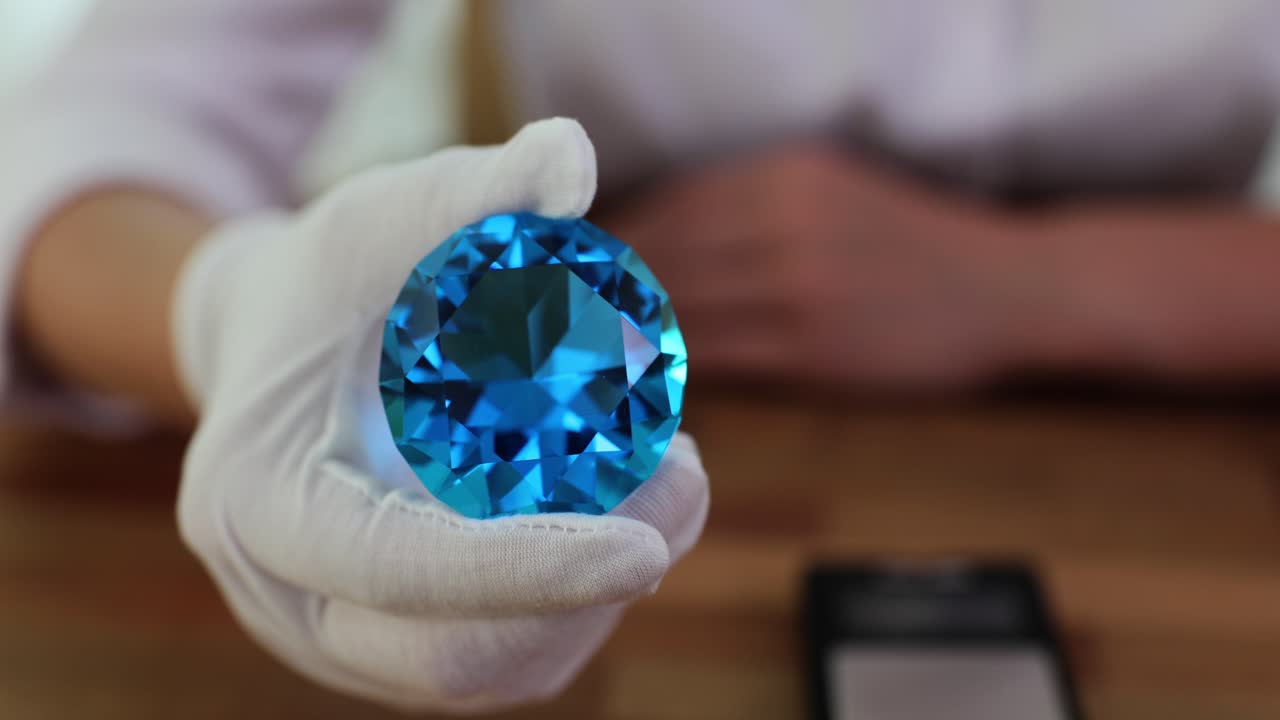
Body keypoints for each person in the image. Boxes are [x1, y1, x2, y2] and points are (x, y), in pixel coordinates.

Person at [4, 0, 1280, 712]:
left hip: (1173, 471)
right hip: (573, 393)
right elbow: (95, 130)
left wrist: (1035, 284)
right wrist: (226, 308)